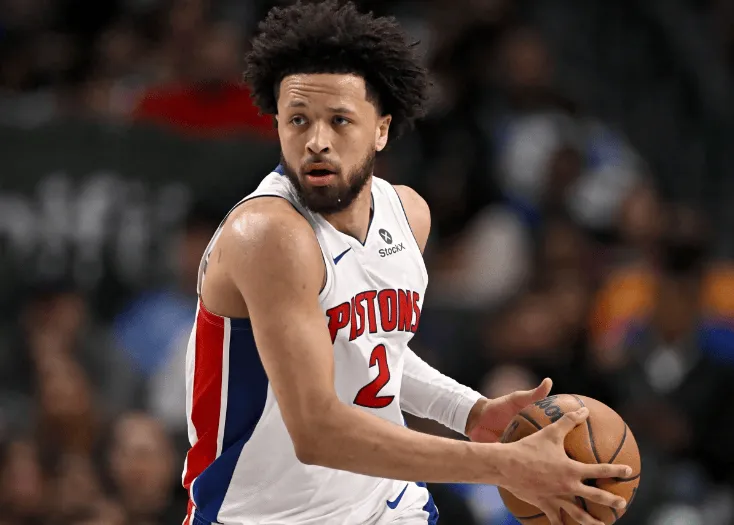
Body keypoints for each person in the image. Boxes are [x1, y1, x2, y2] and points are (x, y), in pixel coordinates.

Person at [181, 2, 632, 525]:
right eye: (298, 120)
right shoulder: (268, 234)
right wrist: (506, 465)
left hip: (388, 508)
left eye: (339, 120)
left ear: (381, 130)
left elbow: (373, 350)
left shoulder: (407, 214)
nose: (316, 141)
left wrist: (469, 411)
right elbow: (317, 431)